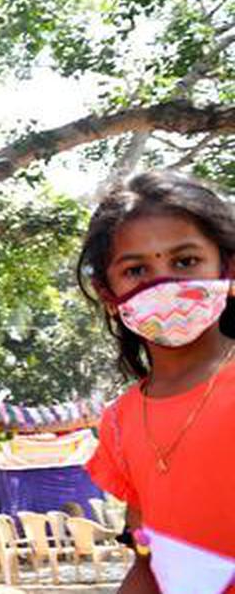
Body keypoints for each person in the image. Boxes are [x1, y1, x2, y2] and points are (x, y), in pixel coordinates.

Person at [79, 170, 235, 593]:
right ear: (108, 295)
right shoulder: (120, 421)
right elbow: (149, 559)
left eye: (185, 262)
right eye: (135, 270)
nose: (163, 284)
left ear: (228, 267)